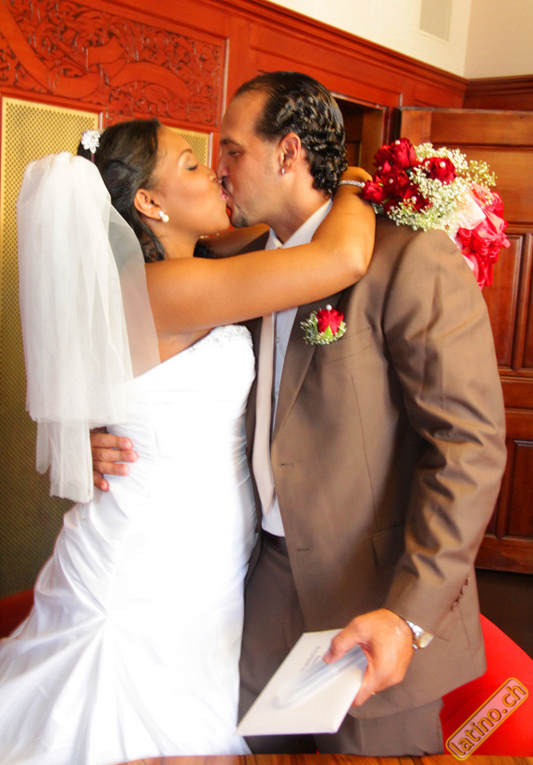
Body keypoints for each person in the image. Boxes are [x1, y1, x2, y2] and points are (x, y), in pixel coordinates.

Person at [93, 72, 507, 756]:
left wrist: (406, 618)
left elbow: (469, 447)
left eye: (232, 151)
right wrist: (99, 428)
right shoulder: (237, 264)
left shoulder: (408, 257)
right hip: (257, 586)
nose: (220, 169)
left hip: (372, 594)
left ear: (288, 153)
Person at [0, 114, 375, 765]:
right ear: (148, 203)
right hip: (151, 561)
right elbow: (340, 258)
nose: (216, 174)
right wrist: (351, 181)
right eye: (194, 165)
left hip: (199, 555)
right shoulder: (162, 289)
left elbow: (251, 237)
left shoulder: (176, 272)